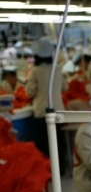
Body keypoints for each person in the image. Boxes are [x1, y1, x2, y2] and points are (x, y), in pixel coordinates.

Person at [25, 40, 68, 168]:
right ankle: (61, 168)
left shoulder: (35, 71)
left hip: (42, 112)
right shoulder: (57, 70)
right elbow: (65, 87)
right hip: (58, 110)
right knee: (59, 141)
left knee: (46, 144)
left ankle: (49, 169)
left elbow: (30, 92)